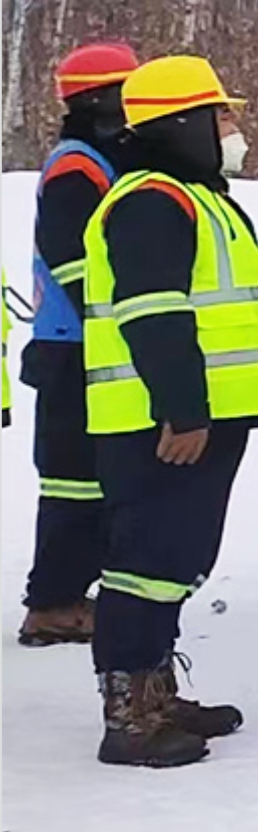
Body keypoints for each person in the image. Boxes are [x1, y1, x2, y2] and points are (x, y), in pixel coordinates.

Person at [79, 54, 258, 768]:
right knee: (149, 560)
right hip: (159, 421)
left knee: (178, 557)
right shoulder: (151, 200)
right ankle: (129, 712)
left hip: (196, 416)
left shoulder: (193, 194)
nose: (233, 128)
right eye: (221, 115)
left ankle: (154, 687)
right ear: (184, 122)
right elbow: (153, 313)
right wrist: (184, 409)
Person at [19, 41, 134, 650]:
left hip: (85, 339)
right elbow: (73, 256)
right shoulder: (78, 167)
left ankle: (63, 593)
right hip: (75, 342)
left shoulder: (98, 159)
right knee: (73, 479)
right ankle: (55, 603)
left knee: (88, 476)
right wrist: (120, 314)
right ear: (100, 99)